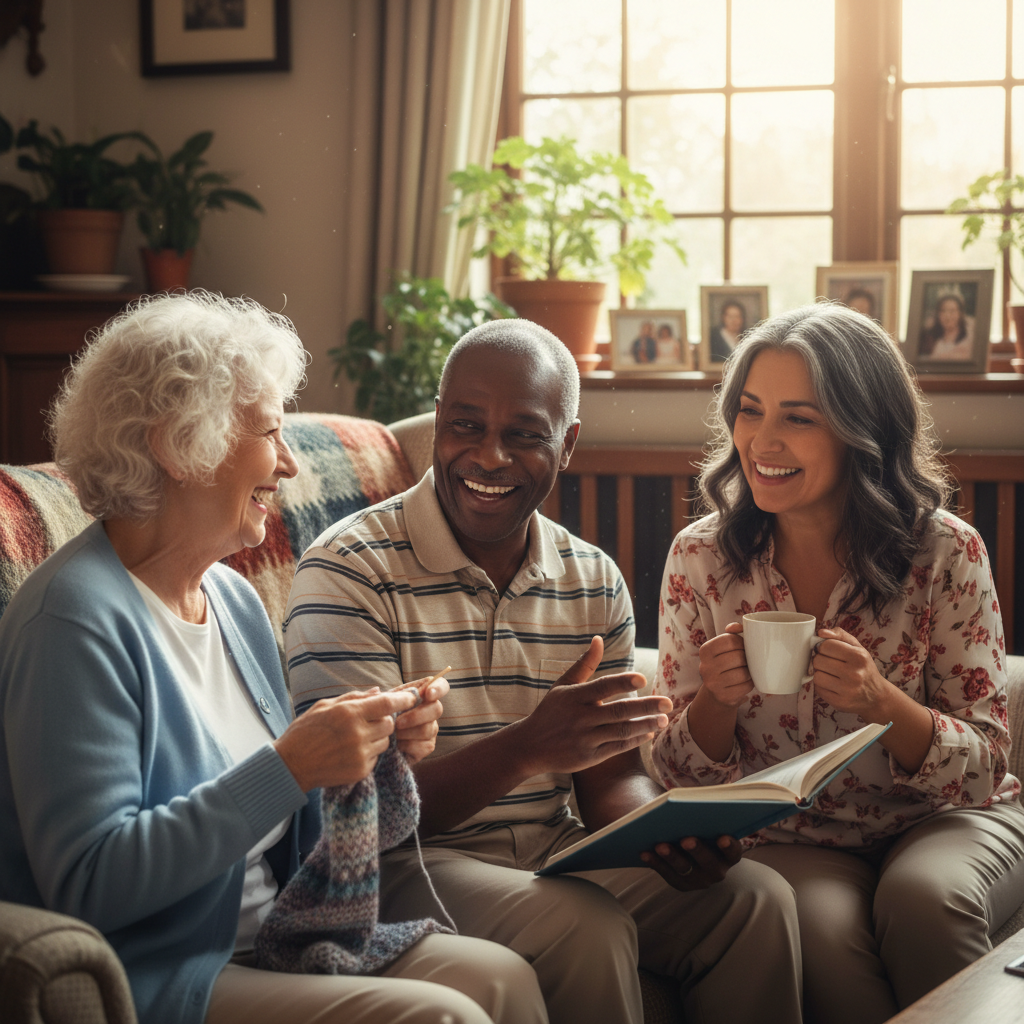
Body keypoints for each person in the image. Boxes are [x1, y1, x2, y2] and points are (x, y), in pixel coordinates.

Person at [0, 292, 547, 1024]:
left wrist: (372, 754)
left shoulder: (231, 598)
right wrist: (291, 766)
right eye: (268, 433)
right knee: (446, 1018)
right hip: (170, 969)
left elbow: (285, 826)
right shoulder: (72, 620)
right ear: (178, 444)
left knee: (503, 978)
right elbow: (91, 882)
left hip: (280, 935)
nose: (288, 464)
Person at [285, 318, 804, 1024]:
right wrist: (528, 747)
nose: (489, 456)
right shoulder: (347, 571)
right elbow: (352, 818)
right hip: (408, 864)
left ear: (568, 445)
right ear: (438, 424)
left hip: (555, 847)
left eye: (525, 434)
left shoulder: (592, 578)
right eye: (466, 425)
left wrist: (667, 837)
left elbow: (610, 782)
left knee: (755, 900)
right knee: (583, 930)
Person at [650, 302, 1024, 1024]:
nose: (762, 440)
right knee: (815, 932)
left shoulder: (946, 552)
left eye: (799, 417)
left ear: (863, 431)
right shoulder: (700, 558)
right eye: (750, 410)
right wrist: (714, 708)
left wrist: (886, 702)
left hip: (946, 819)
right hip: (798, 839)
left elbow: (985, 759)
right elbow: (670, 773)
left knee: (924, 902)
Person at [920, 292, 973, 360]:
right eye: (943, 311)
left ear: (960, 313)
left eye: (952, 311)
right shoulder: (930, 342)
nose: (947, 316)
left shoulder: (968, 341)